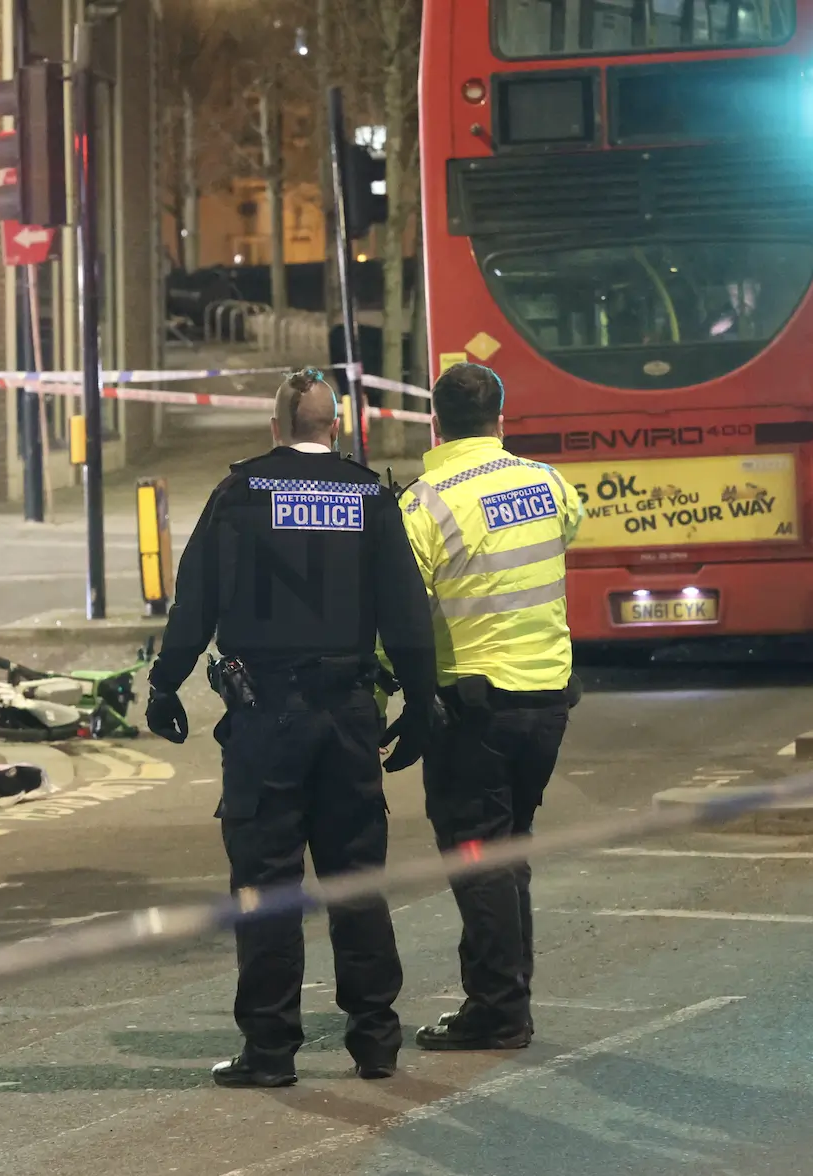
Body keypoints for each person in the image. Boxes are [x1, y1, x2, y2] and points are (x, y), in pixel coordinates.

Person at [145, 368, 439, 1088]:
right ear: (333, 425)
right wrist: (422, 701)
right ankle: (375, 1042)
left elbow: (197, 601)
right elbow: (405, 610)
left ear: (275, 426)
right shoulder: (370, 493)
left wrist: (164, 681)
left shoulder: (241, 492)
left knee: (268, 884)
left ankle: (271, 1051)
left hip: (267, 718)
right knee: (356, 879)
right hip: (348, 715)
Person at [398, 362, 582, 1052]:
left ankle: (500, 1008)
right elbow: (570, 529)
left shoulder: (424, 504)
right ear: (501, 417)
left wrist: (395, 686)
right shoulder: (546, 482)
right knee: (506, 851)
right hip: (548, 701)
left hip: (476, 712)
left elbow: (404, 618)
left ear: (435, 423)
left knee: (478, 855)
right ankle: (501, 996)